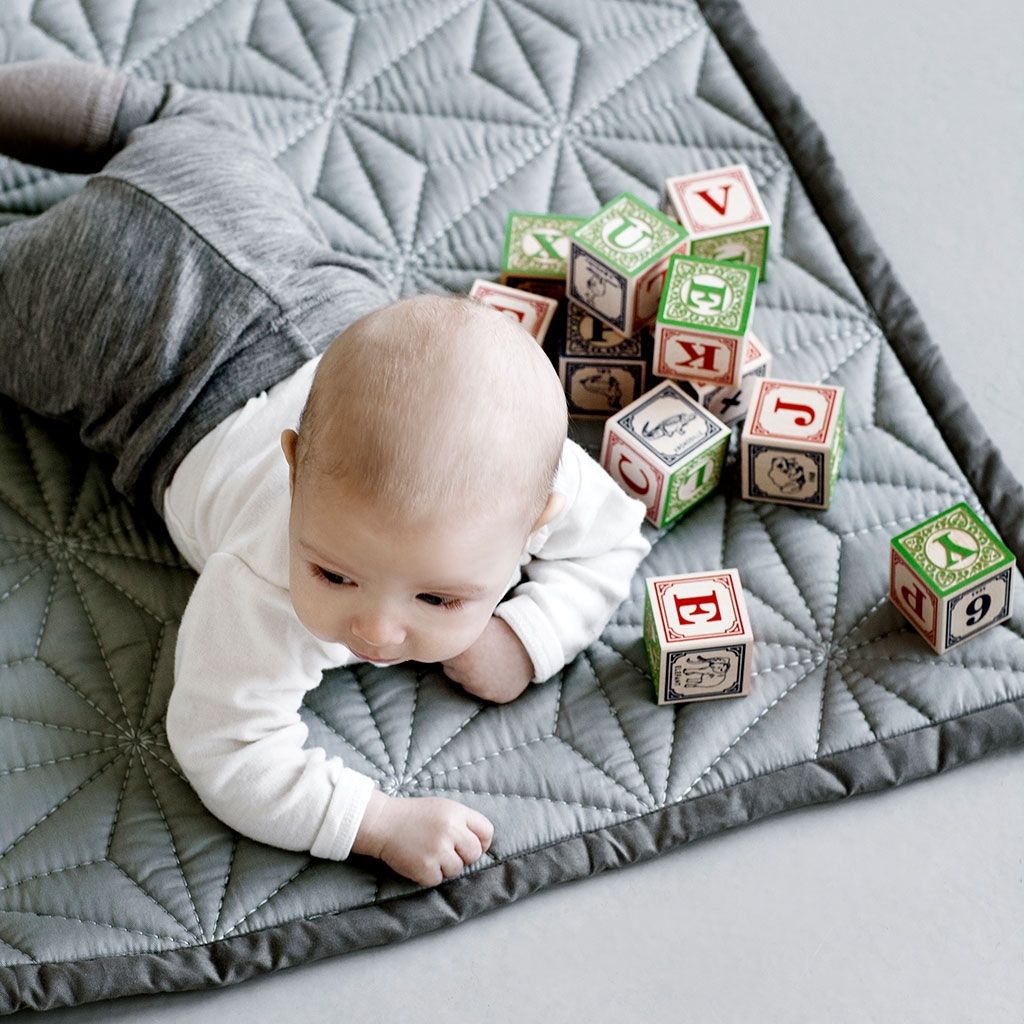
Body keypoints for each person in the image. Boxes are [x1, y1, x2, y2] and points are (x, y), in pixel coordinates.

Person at [0, 58, 652, 888]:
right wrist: (372, 823)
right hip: (103, 317)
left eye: (437, 598)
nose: (375, 631)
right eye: (334, 572)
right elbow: (224, 747)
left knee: (171, 114)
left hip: (238, 214)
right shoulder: (264, 581)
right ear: (293, 468)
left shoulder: (526, 465)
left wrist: (527, 636)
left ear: (538, 515)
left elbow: (612, 535)